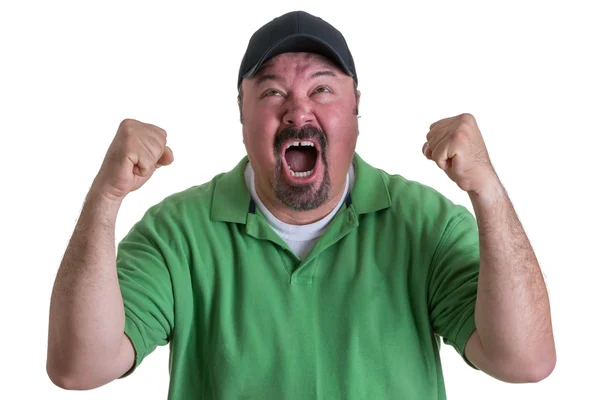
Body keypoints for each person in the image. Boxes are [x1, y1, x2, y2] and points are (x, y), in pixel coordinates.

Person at [46, 10, 556, 399]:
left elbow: (525, 361)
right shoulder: (176, 233)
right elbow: (78, 368)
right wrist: (106, 196)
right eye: (272, 91)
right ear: (241, 114)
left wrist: (486, 189)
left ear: (357, 109)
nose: (298, 111)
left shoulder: (427, 223)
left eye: (322, 89)